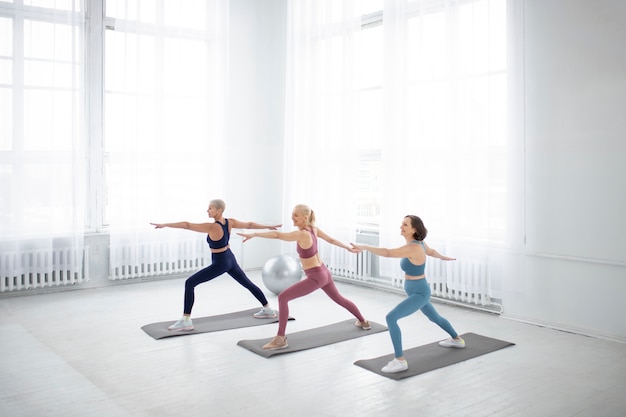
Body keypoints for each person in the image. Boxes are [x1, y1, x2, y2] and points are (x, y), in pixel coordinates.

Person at [238, 204, 370, 350]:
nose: (292, 218)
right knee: (339, 299)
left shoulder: (302, 234)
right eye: (292, 214)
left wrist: (255, 234)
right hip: (324, 272)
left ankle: (280, 339)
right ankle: (363, 321)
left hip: (316, 276)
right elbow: (331, 240)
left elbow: (277, 235)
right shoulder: (313, 229)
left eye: (295, 215)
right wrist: (347, 248)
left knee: (283, 298)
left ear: (305, 217)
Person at [350, 215, 465, 374]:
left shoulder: (414, 248)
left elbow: (388, 253)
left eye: (405, 224)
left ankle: (400, 360)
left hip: (419, 292)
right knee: (434, 317)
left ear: (414, 229)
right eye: (401, 224)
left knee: (391, 318)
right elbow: (430, 251)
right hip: (417, 290)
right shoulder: (419, 244)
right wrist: (443, 257)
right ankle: (457, 340)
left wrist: (365, 247)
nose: (401, 227)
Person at [150, 199, 281, 331]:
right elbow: (249, 224)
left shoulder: (213, 226)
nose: (207, 210)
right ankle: (268, 309)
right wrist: (267, 227)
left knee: (190, 283)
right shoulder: (230, 222)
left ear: (219, 210)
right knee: (247, 283)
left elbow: (187, 225)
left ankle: (186, 320)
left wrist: (165, 224)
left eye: (210, 208)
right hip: (230, 258)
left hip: (221, 262)